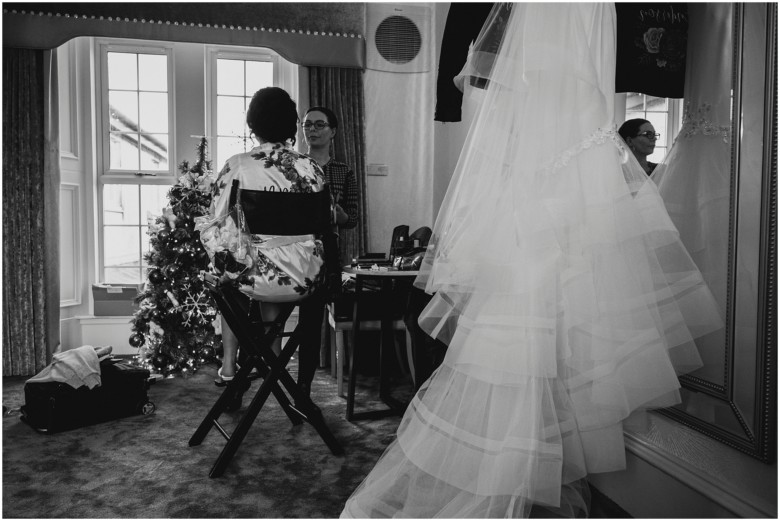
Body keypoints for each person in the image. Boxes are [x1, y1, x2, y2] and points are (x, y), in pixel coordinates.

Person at [341, 3, 722, 518]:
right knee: (528, 357)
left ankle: (523, 479)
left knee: (528, 360)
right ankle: (509, 486)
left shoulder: (549, 43)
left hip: (546, 204)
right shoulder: (566, 25)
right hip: (555, 205)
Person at [198, 87, 331, 402]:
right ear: (291, 126)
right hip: (305, 280)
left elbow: (218, 222)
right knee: (267, 258)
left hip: (256, 279)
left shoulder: (238, 165)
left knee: (226, 267)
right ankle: (282, 371)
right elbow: (323, 228)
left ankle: (230, 369)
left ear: (252, 125)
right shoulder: (312, 169)